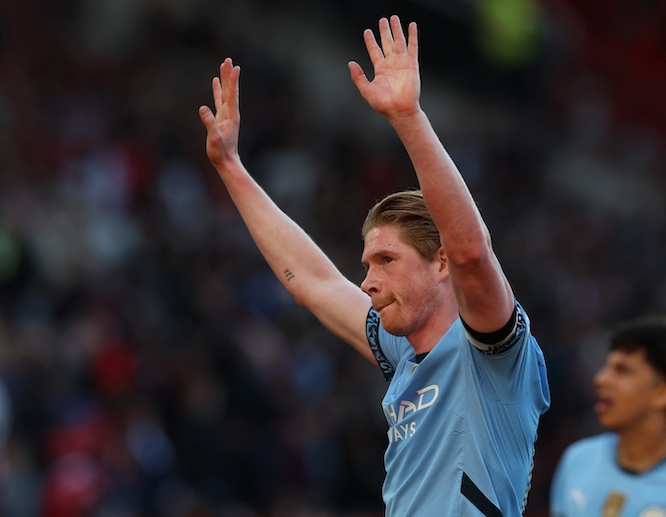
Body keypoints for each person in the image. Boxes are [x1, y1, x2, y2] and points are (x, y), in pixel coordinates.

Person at [198, 15, 550, 516]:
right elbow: (314, 283)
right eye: (368, 263)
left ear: (441, 263)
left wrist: (408, 117)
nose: (368, 282)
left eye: (387, 260)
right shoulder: (404, 350)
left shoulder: (494, 354)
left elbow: (472, 251)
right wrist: (231, 169)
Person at [550, 316, 666, 516]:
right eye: (607, 367)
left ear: (661, 394)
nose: (601, 379)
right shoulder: (578, 460)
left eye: (622, 370)